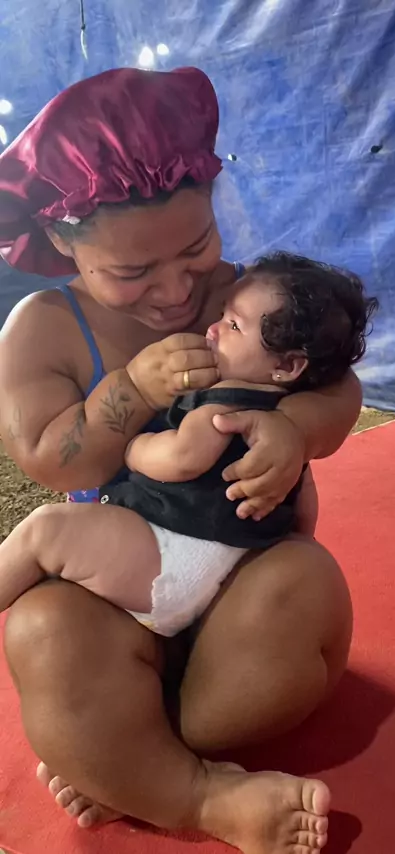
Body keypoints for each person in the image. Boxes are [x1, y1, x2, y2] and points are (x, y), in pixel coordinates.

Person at [0, 67, 362, 854]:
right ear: (62, 242)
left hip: (245, 591)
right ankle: (199, 797)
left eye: (197, 248)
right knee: (42, 631)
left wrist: (295, 429)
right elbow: (52, 464)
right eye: (131, 272)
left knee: (306, 583)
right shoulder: (43, 328)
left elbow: (341, 385)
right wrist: (131, 389)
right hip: (119, 587)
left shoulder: (246, 296)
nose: (175, 291)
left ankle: (131, 759)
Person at [0, 253, 377, 639]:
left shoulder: (225, 403)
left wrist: (133, 448)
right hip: (235, 566)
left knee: (43, 532)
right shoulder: (279, 418)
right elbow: (304, 504)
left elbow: (183, 457)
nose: (213, 329)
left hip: (173, 559)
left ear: (287, 365)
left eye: (233, 325)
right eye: (223, 316)